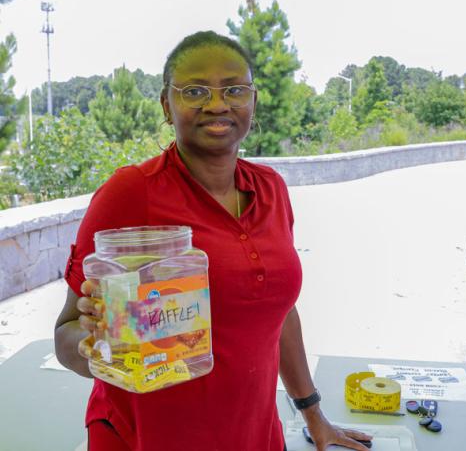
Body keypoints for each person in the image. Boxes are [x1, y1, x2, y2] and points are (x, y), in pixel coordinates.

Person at [54, 31, 372, 451]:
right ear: (167, 106)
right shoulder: (132, 192)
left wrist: (312, 412)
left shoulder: (271, 189)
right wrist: (98, 348)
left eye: (235, 89)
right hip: (150, 437)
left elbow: (278, 313)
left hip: (253, 433)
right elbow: (66, 333)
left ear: (253, 102)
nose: (218, 104)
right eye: (195, 91)